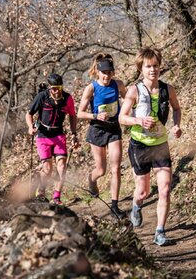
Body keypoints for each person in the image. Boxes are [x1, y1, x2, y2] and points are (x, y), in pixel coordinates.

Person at [118, 47, 182, 246]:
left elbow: (177, 108)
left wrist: (177, 125)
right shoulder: (134, 90)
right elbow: (122, 117)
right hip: (140, 146)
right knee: (143, 192)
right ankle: (136, 207)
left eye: (155, 66)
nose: (152, 70)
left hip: (160, 145)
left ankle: (160, 232)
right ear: (141, 69)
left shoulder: (167, 89)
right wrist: (138, 121)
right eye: (148, 66)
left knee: (164, 189)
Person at [77, 54, 127, 218]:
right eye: (103, 72)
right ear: (97, 72)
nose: (106, 75)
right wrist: (95, 116)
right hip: (97, 129)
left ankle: (114, 206)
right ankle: (92, 179)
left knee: (116, 168)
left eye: (109, 72)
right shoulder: (91, 88)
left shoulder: (118, 85)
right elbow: (80, 113)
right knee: (101, 170)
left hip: (113, 129)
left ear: (113, 73)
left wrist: (130, 113)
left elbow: (128, 100)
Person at [26, 73, 79, 205]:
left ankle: (56, 197)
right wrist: (30, 127)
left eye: (58, 88)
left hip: (59, 135)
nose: (56, 91)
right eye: (53, 88)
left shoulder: (67, 98)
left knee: (61, 167)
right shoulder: (42, 97)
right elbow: (29, 113)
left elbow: (72, 116)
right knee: (48, 168)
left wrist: (74, 134)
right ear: (49, 88)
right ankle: (41, 192)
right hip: (43, 135)